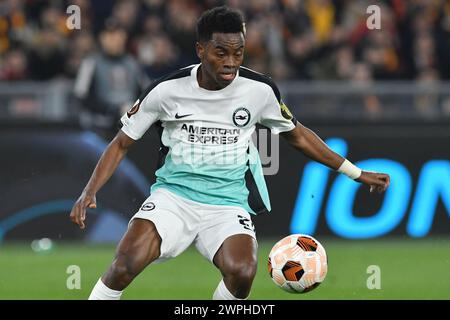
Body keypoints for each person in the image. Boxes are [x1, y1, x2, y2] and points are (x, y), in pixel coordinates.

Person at [70, 6, 390, 300]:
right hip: (174, 196)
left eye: (238, 53)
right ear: (201, 50)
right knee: (127, 262)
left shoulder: (259, 91)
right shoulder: (166, 90)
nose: (231, 63)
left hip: (227, 202)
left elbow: (299, 136)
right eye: (220, 53)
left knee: (242, 271)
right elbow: (122, 142)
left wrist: (356, 172)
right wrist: (89, 190)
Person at [73, 18, 147, 140]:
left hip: (130, 129)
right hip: (99, 129)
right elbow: (81, 97)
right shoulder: (91, 63)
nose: (112, 40)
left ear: (124, 37)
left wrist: (131, 110)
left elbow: (145, 94)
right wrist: (110, 110)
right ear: (102, 39)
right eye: (108, 35)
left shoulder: (133, 64)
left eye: (117, 35)